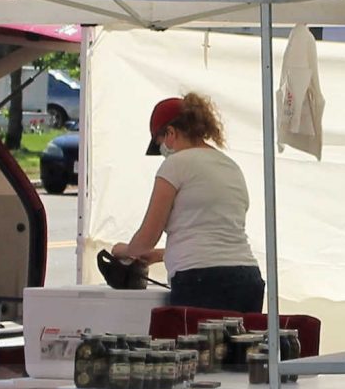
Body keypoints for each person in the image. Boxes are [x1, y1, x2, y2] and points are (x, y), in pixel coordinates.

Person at [112, 94, 264, 312]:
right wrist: (160, 255)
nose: (163, 151)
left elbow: (146, 239)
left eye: (160, 143)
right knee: (239, 347)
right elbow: (216, 237)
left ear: (171, 133)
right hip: (247, 277)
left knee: (196, 346)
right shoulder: (230, 166)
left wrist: (124, 250)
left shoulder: (175, 165)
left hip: (200, 281)